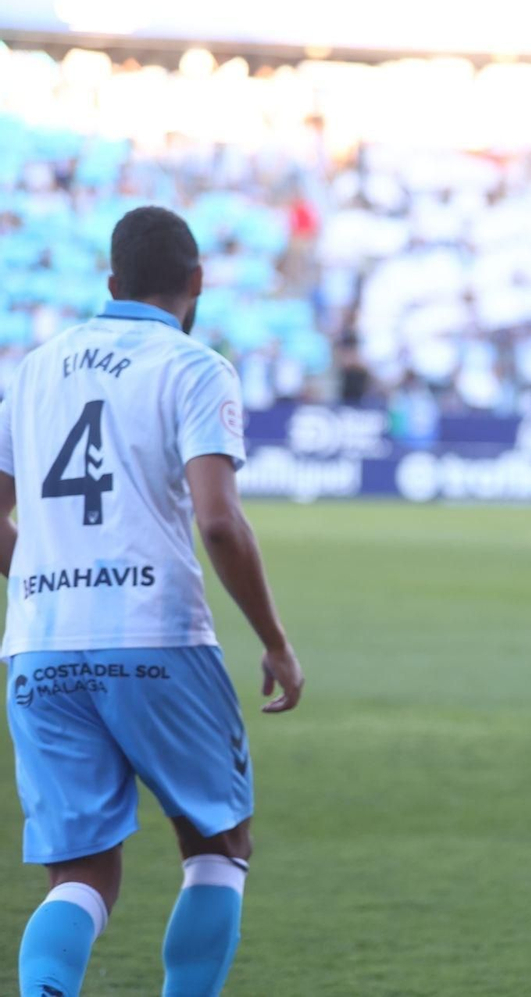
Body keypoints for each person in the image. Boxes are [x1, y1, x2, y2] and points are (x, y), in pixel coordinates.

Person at [0, 206, 305, 997]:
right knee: (217, 845)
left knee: (81, 875)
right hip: (156, 635)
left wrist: (41, 572)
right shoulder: (195, 366)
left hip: (39, 643)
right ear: (197, 282)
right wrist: (274, 638)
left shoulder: (32, 369)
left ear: (110, 280)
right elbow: (217, 518)